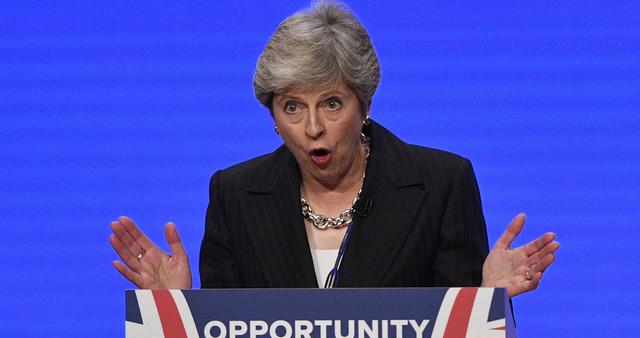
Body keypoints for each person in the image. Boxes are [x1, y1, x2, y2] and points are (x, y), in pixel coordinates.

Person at [109, 1, 559, 297]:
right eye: (291, 107)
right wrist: (179, 313)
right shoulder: (235, 195)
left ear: (364, 102)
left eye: (331, 103)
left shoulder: (441, 183)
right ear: (272, 115)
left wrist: (486, 304)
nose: (312, 128)